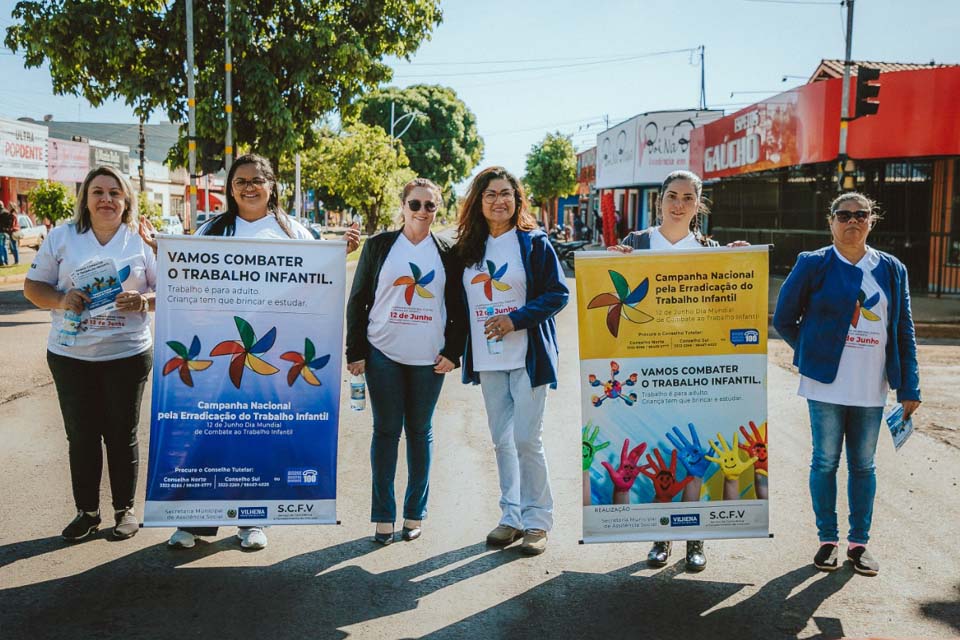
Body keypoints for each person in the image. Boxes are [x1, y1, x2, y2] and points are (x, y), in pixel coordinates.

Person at [164, 153, 360, 551]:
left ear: (272, 186)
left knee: (259, 435)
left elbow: (317, 283)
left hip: (272, 350)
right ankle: (196, 521)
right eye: (241, 181)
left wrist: (342, 254)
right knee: (210, 434)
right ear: (229, 188)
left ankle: (253, 520)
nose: (249, 187)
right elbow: (186, 279)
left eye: (258, 180)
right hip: (221, 350)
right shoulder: (210, 231)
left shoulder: (295, 234)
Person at [608, 169, 750, 572]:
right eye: (673, 195)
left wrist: (742, 260)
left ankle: (695, 540)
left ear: (698, 205)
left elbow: (728, 302)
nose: (679, 204)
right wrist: (609, 261)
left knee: (694, 455)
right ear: (660, 200)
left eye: (688, 198)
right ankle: (660, 539)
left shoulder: (710, 248)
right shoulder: (636, 244)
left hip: (694, 367)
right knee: (661, 457)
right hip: (647, 367)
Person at [774, 192, 921, 577]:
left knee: (863, 465)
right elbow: (785, 318)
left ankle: (859, 544)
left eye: (861, 215)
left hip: (872, 386)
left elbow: (903, 329)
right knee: (824, 462)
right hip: (825, 385)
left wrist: (910, 388)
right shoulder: (814, 263)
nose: (852, 221)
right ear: (831, 221)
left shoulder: (890, 268)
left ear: (872, 220)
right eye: (844, 215)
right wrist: (814, 351)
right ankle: (828, 540)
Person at [23, 166, 157, 542]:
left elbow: (169, 291)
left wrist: (143, 301)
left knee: (121, 433)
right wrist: (62, 299)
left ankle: (124, 510)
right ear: (85, 199)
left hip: (127, 354)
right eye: (98, 192)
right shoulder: (63, 237)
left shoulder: (140, 239)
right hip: (70, 355)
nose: (106, 199)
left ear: (126, 198)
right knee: (80, 436)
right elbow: (33, 287)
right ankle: (87, 512)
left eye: (115, 192)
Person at [346, 178, 466, 545]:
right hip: (383, 353)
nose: (422, 212)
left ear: (437, 209)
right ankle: (383, 516)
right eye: (415, 204)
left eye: (430, 206)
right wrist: (356, 352)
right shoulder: (381, 246)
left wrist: (454, 352)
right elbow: (359, 299)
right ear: (402, 206)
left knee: (420, 432)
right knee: (385, 433)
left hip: (429, 360)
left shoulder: (447, 251)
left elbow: (458, 306)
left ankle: (414, 514)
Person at [455, 166, 569, 556]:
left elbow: (557, 294)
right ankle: (511, 517)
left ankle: (538, 521)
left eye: (506, 193)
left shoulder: (534, 244)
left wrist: (514, 320)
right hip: (488, 361)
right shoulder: (468, 249)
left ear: (517, 200)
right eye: (490, 194)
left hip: (528, 356)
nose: (499, 201)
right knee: (502, 442)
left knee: (526, 439)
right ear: (478, 202)